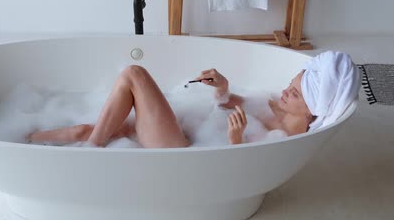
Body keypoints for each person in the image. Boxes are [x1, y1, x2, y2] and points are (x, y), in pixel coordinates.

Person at [26, 51, 360, 148]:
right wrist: (223, 88)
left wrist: (234, 140)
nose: (285, 90)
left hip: (184, 152)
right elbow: (231, 103)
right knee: (85, 128)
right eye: (290, 83)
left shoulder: (290, 138)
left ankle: (91, 152)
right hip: (187, 130)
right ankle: (20, 140)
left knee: (134, 74)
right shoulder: (273, 104)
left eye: (295, 93)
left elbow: (245, 167)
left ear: (314, 106)